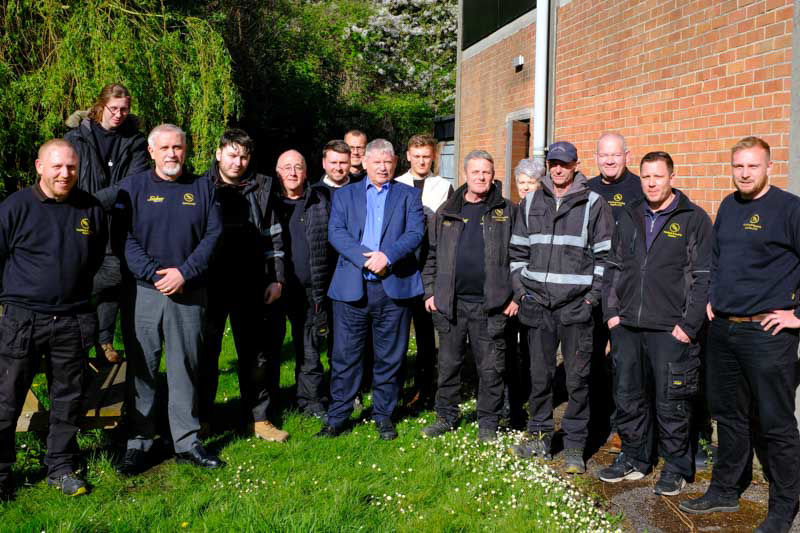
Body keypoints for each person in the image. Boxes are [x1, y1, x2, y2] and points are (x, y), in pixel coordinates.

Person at [680, 137, 800, 533]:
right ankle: (725, 489)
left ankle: (783, 507)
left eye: (752, 166)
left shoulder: (789, 209)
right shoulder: (729, 206)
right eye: (738, 166)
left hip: (767, 335)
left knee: (775, 423)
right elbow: (715, 259)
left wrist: (797, 316)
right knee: (728, 416)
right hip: (725, 331)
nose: (744, 173)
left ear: (769, 167)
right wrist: (712, 298)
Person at [599, 151, 712, 496]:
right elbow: (612, 268)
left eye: (658, 176)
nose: (651, 183)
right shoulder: (629, 215)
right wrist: (612, 316)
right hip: (628, 326)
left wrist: (688, 325)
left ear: (671, 178)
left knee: (672, 400)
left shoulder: (693, 219)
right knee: (628, 395)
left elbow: (704, 276)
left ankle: (676, 465)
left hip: (671, 328)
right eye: (646, 176)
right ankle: (635, 456)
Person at [0, 139, 107, 499]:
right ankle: (1, 472)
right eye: (57, 166)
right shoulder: (15, 207)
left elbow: (96, 260)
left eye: (72, 167)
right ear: (39, 167)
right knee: (6, 400)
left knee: (68, 399)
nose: (65, 174)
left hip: (73, 320)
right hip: (22, 320)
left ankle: (60, 467)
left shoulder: (90, 209)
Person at [115, 124, 223, 474]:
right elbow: (123, 237)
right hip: (145, 293)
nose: (172, 154)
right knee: (142, 368)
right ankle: (139, 440)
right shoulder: (133, 188)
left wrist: (185, 272)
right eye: (165, 148)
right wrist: (151, 273)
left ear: (186, 150)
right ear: (151, 151)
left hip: (189, 292)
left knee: (184, 368)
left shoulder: (203, 187)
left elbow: (213, 235)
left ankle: (187, 441)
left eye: (178, 147)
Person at [509, 141, 614, 474]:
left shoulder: (594, 204)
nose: (557, 169)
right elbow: (517, 253)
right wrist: (522, 293)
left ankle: (573, 448)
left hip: (575, 309)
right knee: (539, 378)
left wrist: (590, 300)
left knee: (577, 382)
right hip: (537, 306)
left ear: (575, 166)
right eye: (553, 163)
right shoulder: (531, 202)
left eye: (564, 164)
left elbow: (605, 259)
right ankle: (539, 438)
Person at [316, 139, 424, 440]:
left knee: (390, 356)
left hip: (393, 289)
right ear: (364, 163)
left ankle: (384, 415)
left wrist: (386, 256)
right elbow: (336, 232)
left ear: (395, 163)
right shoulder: (346, 195)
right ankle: (337, 417)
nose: (382, 167)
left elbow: (415, 232)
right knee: (345, 355)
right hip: (353, 287)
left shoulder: (408, 196)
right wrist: (366, 258)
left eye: (388, 162)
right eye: (376, 161)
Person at [420, 150, 516, 442]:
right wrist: (430, 291)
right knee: (449, 365)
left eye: (486, 172)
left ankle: (488, 423)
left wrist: (516, 296)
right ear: (465, 174)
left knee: (490, 368)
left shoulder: (508, 211)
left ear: (493, 174)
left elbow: (520, 256)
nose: (481, 177)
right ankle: (446, 416)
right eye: (475, 172)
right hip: (451, 304)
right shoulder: (446, 211)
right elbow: (431, 256)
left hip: (491, 306)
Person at [198, 129, 288, 442]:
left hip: (251, 282)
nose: (238, 162)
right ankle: (202, 419)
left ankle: (259, 418)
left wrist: (277, 277)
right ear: (219, 153)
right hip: (210, 284)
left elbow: (274, 235)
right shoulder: (200, 186)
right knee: (206, 354)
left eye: (244, 156)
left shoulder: (263, 186)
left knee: (255, 356)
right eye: (232, 154)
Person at [65, 83, 150, 364]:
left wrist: (95, 202)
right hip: (79, 217)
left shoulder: (136, 141)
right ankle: (81, 343)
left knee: (112, 278)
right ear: (101, 105)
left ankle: (102, 340)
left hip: (116, 219)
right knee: (78, 277)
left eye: (124, 109)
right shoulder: (76, 137)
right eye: (114, 108)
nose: (119, 114)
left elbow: (133, 181)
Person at [586, 133, 644, 451]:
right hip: (594, 286)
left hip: (627, 288)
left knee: (625, 362)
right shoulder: (588, 189)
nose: (609, 160)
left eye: (615, 155)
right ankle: (599, 422)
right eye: (604, 155)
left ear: (627, 155)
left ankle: (627, 427)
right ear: (596, 157)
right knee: (594, 359)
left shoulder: (639, 188)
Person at [395, 134, 454, 406]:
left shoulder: (444, 187)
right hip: (400, 268)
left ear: (434, 157)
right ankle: (394, 388)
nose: (421, 161)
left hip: (429, 269)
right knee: (396, 333)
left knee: (426, 334)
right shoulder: (396, 184)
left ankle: (425, 389)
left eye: (426, 156)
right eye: (416, 156)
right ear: (408, 156)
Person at [274, 149, 332, 420]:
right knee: (268, 351)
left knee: (309, 350)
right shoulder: (269, 203)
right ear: (278, 172)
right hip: (275, 289)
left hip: (311, 289)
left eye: (298, 167)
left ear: (307, 172)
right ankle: (267, 405)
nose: (293, 172)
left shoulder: (321, 200)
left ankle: (311, 401)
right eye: (287, 167)